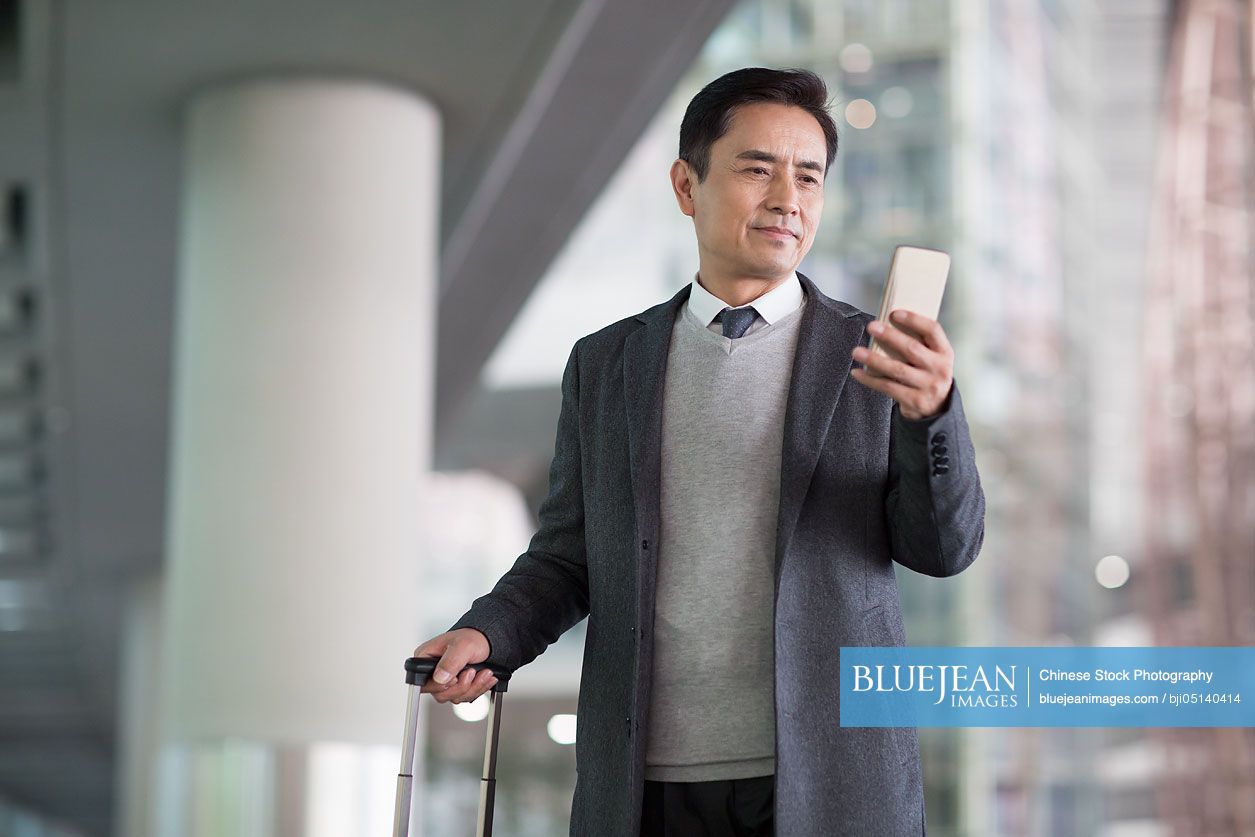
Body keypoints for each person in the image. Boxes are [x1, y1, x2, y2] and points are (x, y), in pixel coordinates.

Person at [413, 67, 985, 836]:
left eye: (808, 177)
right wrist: (489, 632)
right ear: (687, 185)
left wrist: (932, 416)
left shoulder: (875, 357)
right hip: (642, 784)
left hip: (826, 781)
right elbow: (568, 554)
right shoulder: (606, 363)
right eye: (757, 168)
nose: (787, 197)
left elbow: (943, 548)